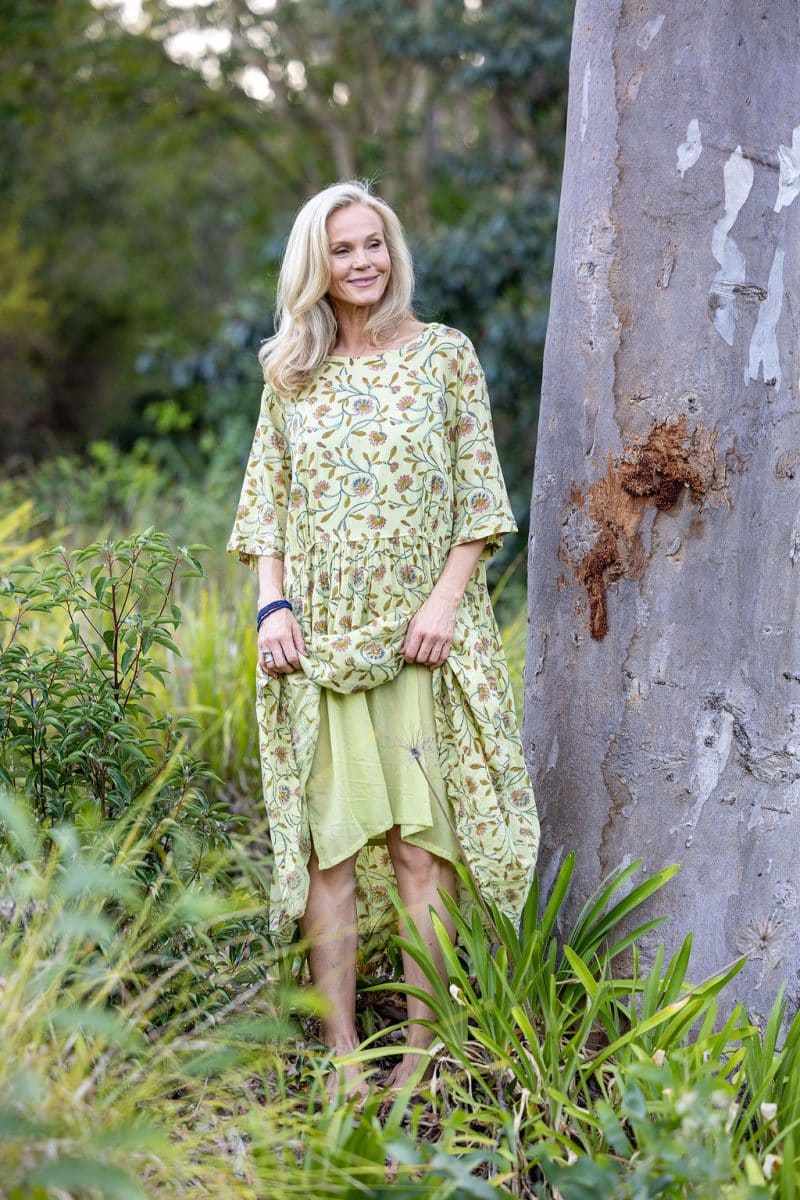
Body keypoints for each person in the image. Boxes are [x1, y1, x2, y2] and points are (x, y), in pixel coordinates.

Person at [227, 180, 539, 1096]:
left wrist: (443, 603)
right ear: (314, 266)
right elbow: (265, 506)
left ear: (392, 253)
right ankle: (340, 1061)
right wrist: (271, 608)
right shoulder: (290, 372)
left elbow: (481, 498)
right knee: (331, 850)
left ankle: (419, 1055)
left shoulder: (445, 355)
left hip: (422, 640)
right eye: (344, 249)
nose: (363, 262)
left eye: (375, 245)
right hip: (317, 641)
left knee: (417, 851)